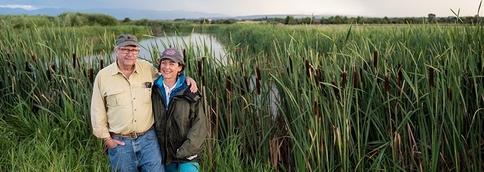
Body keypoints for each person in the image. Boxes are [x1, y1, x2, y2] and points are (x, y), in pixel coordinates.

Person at [90, 34, 198, 172]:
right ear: (116, 50)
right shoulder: (103, 76)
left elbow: (168, 75)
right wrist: (107, 139)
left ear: (138, 52)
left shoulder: (147, 68)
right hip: (121, 142)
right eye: (125, 49)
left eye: (134, 50)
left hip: (148, 139)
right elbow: (97, 110)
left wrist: (186, 79)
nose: (130, 54)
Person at [152, 48, 208, 172]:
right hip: (163, 153)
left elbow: (199, 126)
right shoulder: (152, 89)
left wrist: (185, 151)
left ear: (180, 68)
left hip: (187, 154)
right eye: (164, 63)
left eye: (172, 64)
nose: (167, 67)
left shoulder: (190, 91)